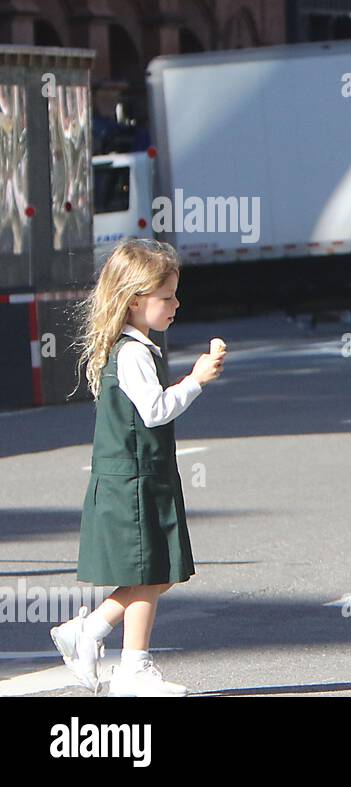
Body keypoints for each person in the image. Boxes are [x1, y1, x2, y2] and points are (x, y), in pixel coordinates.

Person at [49, 239, 226, 697]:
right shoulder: (132, 352)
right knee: (153, 573)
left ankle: (90, 633)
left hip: (140, 475)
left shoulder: (135, 347)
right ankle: (131, 667)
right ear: (133, 300)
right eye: (165, 297)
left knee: (158, 570)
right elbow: (154, 410)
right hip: (135, 478)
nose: (175, 304)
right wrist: (196, 380)